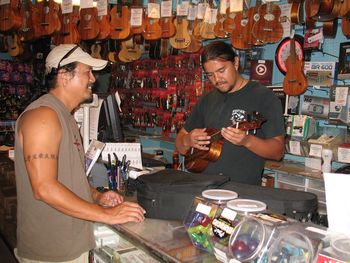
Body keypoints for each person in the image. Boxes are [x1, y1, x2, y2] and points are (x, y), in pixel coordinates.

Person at [14, 44, 146, 263]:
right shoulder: (43, 117)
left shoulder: (64, 116)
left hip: (70, 246)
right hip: (52, 253)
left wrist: (96, 196)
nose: (93, 79)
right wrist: (107, 215)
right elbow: (44, 188)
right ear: (65, 76)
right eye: (87, 72)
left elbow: (67, 178)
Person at [175, 41, 285, 185]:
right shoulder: (207, 99)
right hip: (202, 186)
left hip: (242, 192)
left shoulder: (264, 97)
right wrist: (188, 140)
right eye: (210, 75)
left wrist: (247, 141)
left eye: (221, 71)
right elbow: (180, 145)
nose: (217, 80)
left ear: (236, 62)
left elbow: (278, 152)